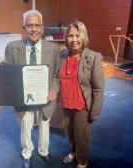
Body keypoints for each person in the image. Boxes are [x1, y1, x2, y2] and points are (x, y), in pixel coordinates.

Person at [0, 10, 61, 168]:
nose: (33, 29)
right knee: (25, 127)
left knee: (44, 127)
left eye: (36, 25)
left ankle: (43, 151)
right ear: (24, 28)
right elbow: (6, 69)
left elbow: (56, 74)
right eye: (29, 26)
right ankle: (27, 154)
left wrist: (54, 89)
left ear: (42, 28)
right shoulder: (13, 47)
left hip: (45, 98)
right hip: (23, 97)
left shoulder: (53, 48)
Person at [58, 20, 104, 168]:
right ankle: (73, 152)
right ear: (66, 38)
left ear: (83, 37)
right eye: (70, 36)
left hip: (82, 105)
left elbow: (98, 88)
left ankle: (82, 161)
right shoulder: (62, 55)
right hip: (66, 103)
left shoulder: (93, 57)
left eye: (77, 35)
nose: (74, 39)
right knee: (70, 133)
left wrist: (94, 112)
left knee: (82, 136)